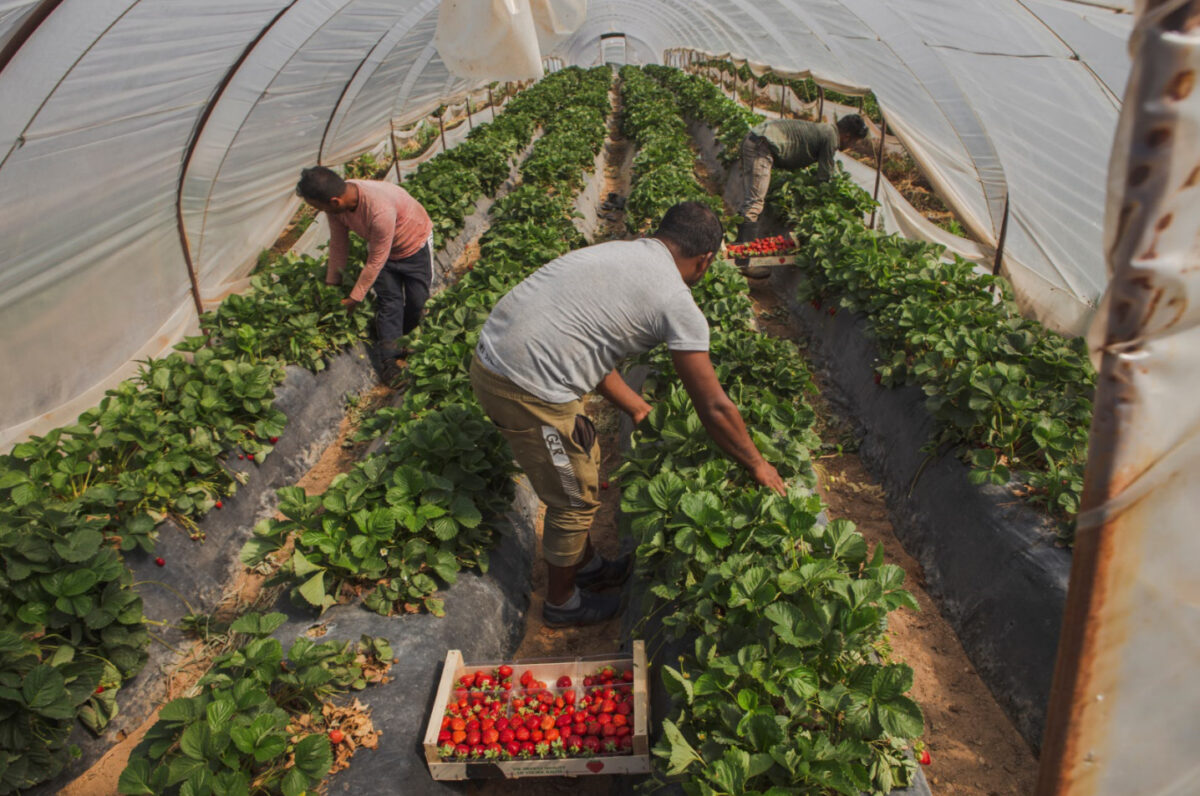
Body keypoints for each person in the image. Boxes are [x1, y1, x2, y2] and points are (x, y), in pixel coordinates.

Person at [469, 201, 787, 628]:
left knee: (583, 456)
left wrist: (636, 405)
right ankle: (563, 603)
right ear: (706, 259)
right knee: (573, 497)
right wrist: (757, 464)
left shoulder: (622, 253)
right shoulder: (676, 301)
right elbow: (712, 405)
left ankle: (586, 566)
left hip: (499, 350)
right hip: (524, 382)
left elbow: (590, 339)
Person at [295, 166, 434, 379]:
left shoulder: (379, 209)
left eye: (319, 207)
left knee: (418, 302)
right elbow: (339, 245)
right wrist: (331, 285)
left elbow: (376, 259)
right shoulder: (339, 206)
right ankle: (390, 361)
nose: (321, 212)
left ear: (334, 202)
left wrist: (354, 298)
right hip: (383, 252)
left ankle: (407, 339)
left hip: (414, 246)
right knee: (390, 302)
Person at [734, 114, 870, 276]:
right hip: (761, 147)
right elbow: (824, 177)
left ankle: (740, 251)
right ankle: (744, 262)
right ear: (847, 136)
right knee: (755, 203)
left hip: (757, 140)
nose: (851, 146)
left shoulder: (826, 130)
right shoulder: (830, 137)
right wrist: (829, 205)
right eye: (853, 142)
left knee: (752, 200)